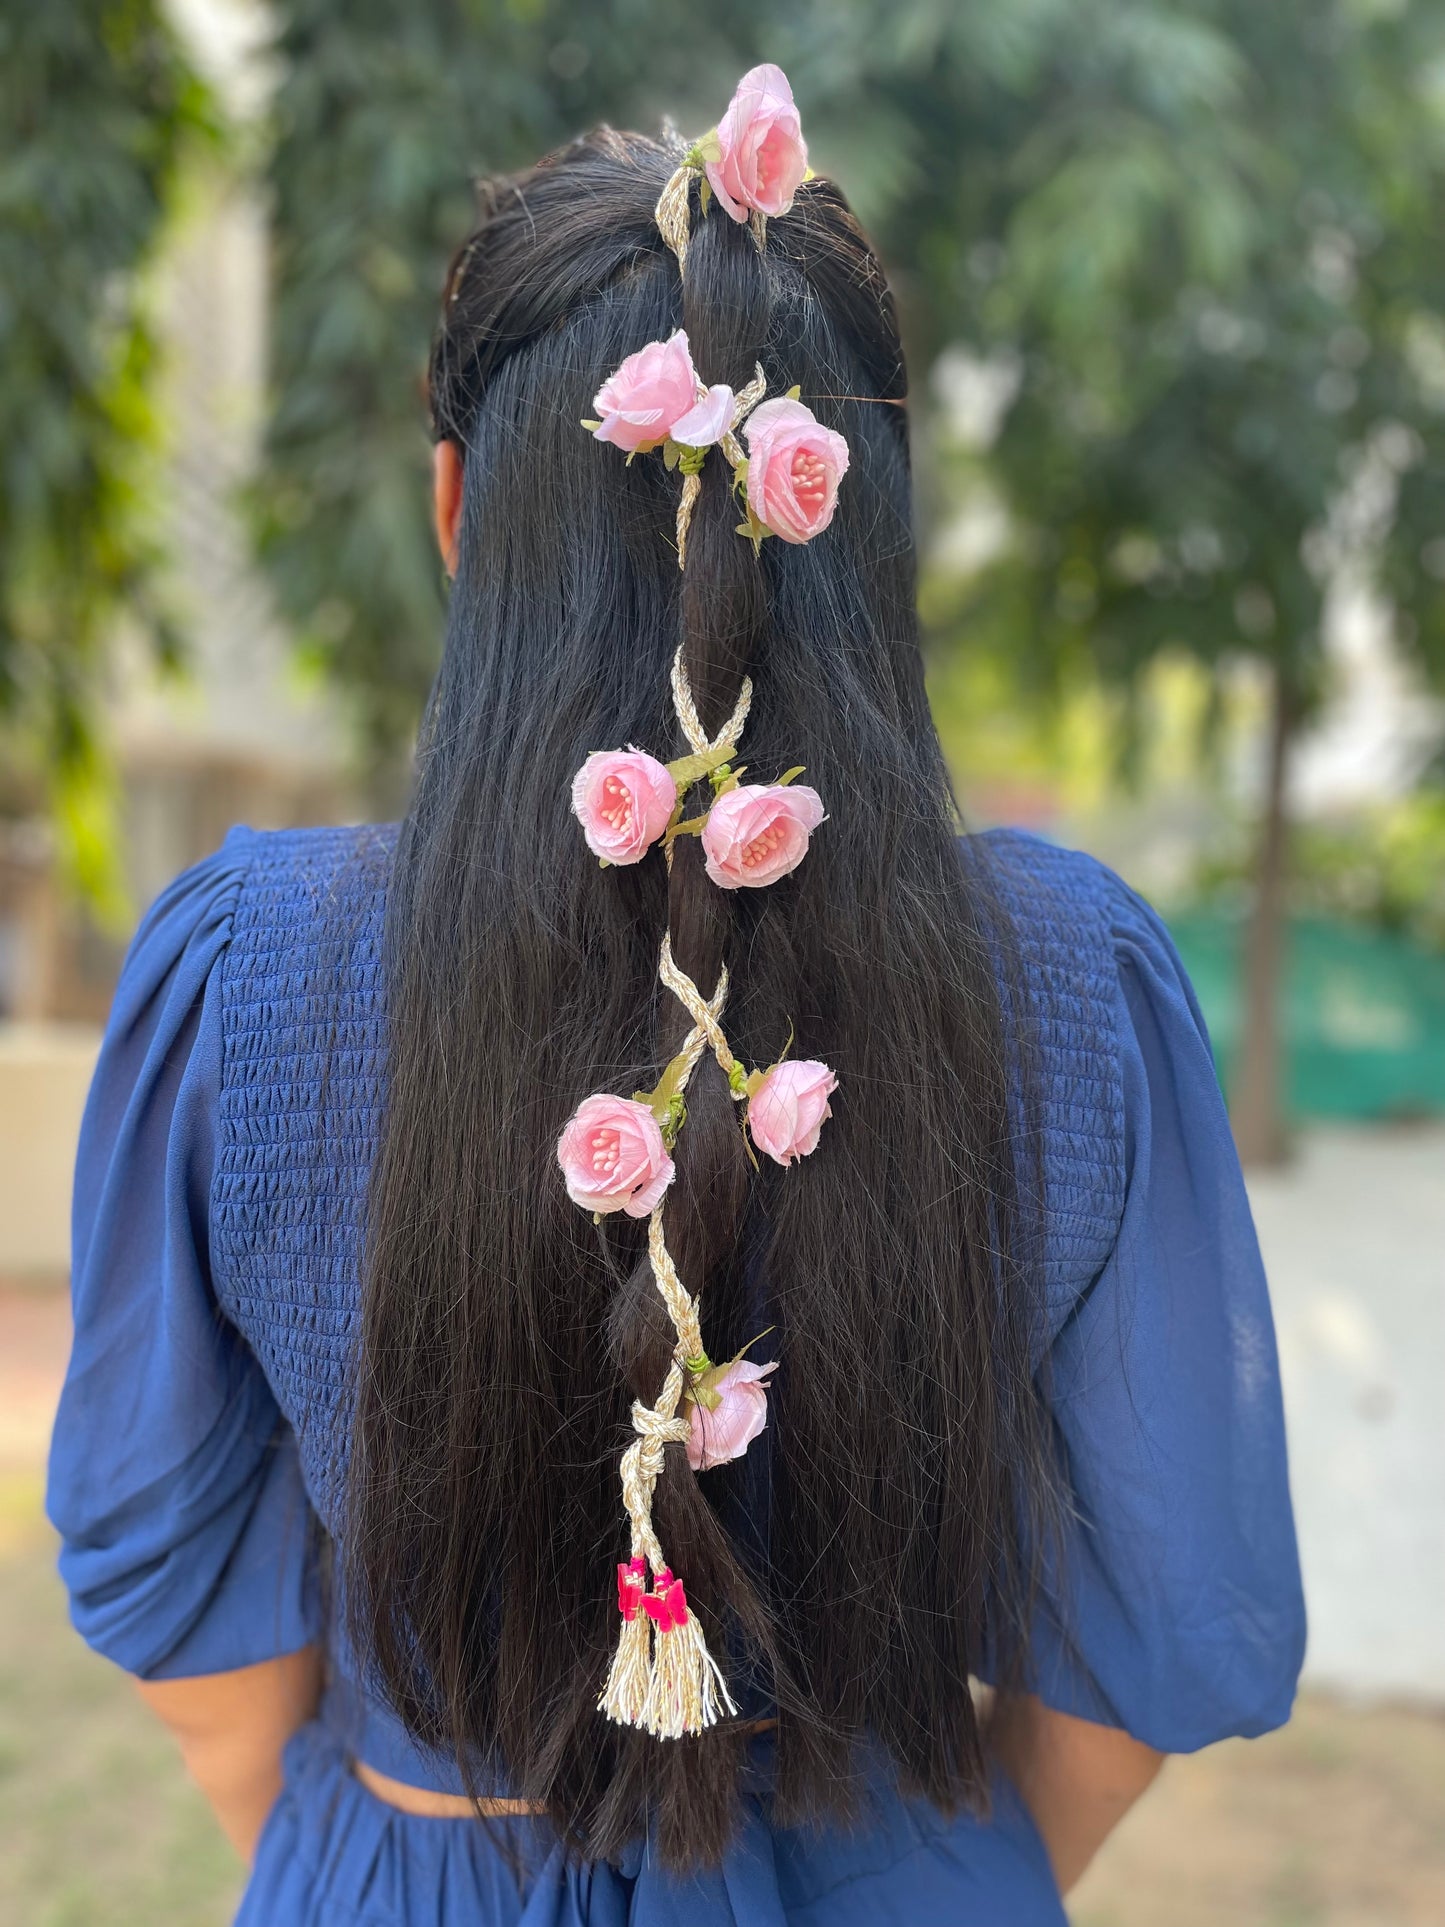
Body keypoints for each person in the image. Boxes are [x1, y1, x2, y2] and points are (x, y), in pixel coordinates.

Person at [47, 66, 1305, 1927]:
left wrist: (366, 1853)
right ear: (860, 538)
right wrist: (925, 1875)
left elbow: (162, 1569)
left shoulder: (251, 972)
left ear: (458, 513)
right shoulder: (1074, 976)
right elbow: (1167, 1601)